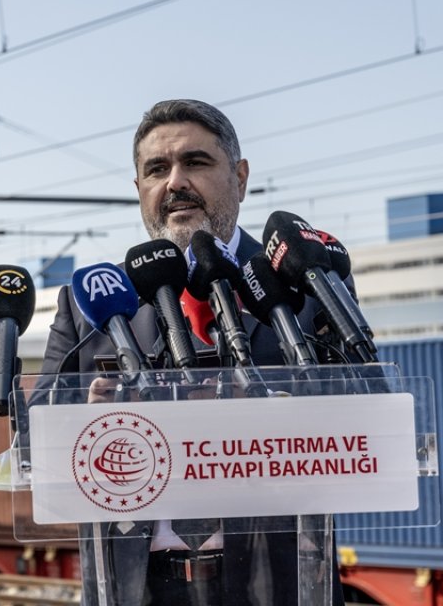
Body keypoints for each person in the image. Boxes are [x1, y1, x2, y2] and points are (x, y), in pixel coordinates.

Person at [36, 99, 345, 605]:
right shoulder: (90, 300)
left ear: (240, 178)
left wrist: (278, 415)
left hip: (285, 578)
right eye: (157, 169)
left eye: (195, 163)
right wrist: (83, 424)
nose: (175, 182)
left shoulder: (308, 283)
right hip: (137, 584)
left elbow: (371, 412)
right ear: (140, 191)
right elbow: (34, 435)